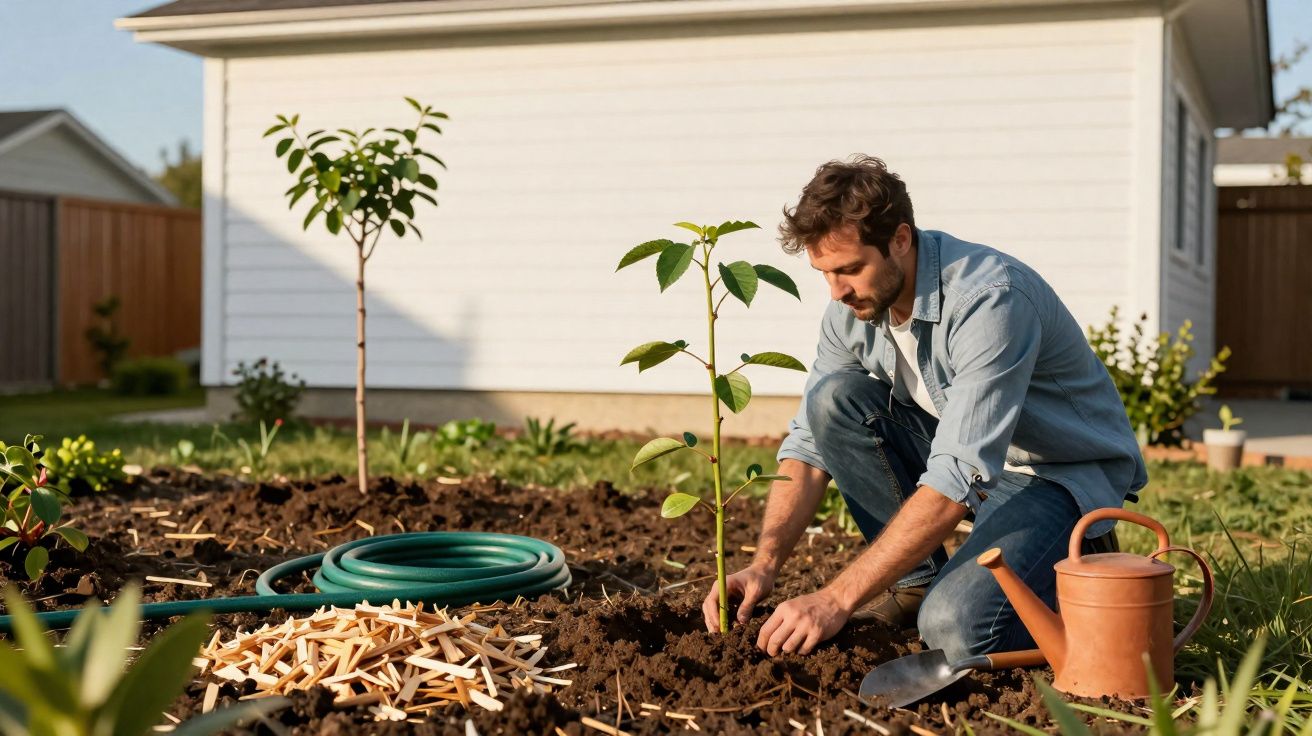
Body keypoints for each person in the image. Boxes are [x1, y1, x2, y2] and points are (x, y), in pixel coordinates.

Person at [702, 155, 1145, 662]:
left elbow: (958, 475)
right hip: (974, 461)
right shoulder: (851, 309)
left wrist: (835, 599)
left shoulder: (989, 299)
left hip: (1055, 474)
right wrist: (764, 564)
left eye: (849, 269)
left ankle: (1084, 573)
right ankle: (917, 585)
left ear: (900, 240)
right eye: (824, 273)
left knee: (954, 629)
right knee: (832, 403)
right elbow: (808, 443)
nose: (837, 291)